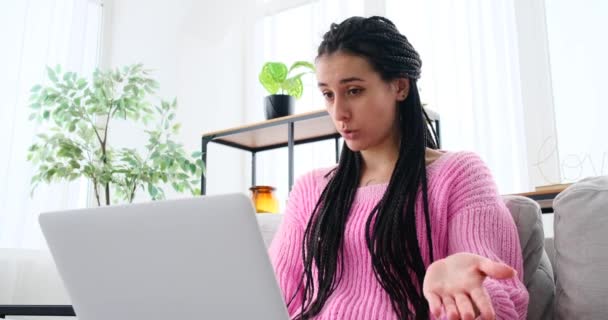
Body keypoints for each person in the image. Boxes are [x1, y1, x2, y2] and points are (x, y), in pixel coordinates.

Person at [268, 16, 528, 320]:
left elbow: (502, 304)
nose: (338, 112)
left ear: (400, 87)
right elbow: (270, 300)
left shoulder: (458, 173)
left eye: (354, 90)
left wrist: (468, 292)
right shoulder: (310, 190)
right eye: (328, 94)